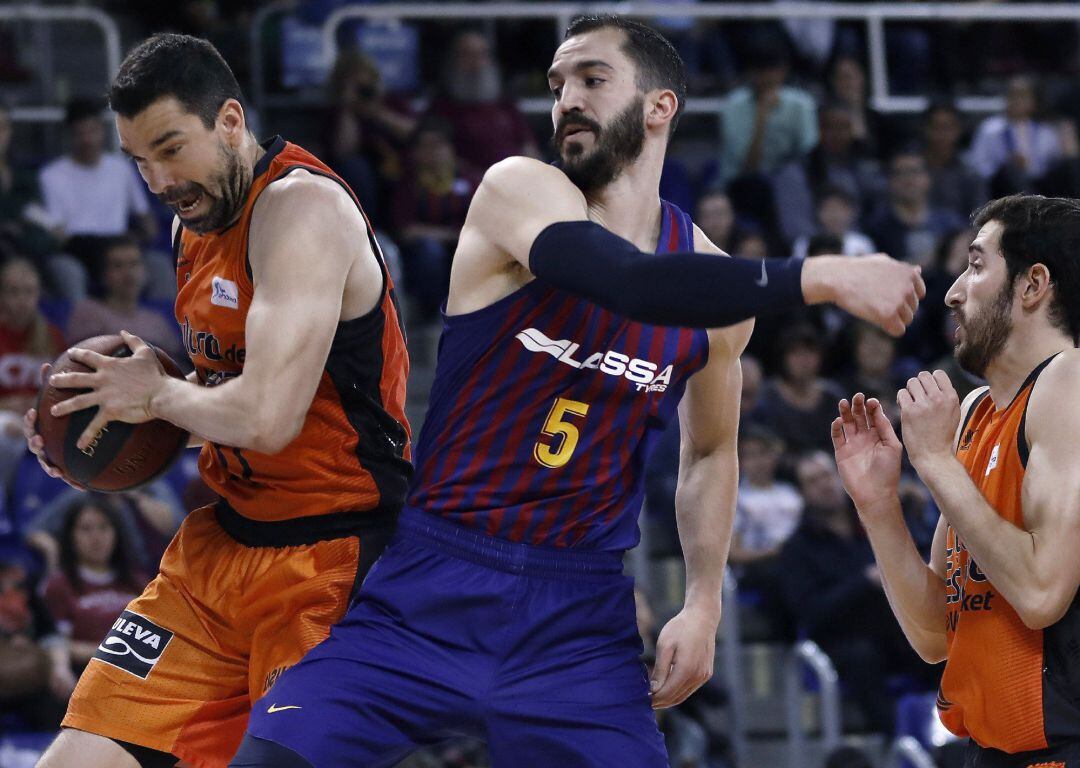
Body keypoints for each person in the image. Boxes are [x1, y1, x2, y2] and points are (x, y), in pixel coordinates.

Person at [232, 15, 923, 768]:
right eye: (558, 85)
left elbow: (712, 451)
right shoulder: (516, 192)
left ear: (660, 106)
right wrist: (818, 275)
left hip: (577, 618)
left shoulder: (716, 285)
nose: (566, 100)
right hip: (434, 582)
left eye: (593, 79)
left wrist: (702, 600)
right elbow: (626, 280)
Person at [25, 33, 411, 768]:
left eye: (171, 149)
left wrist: (159, 395)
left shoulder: (302, 211)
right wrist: (97, 417)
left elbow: (267, 416)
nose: (159, 179)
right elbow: (215, 400)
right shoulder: (192, 221)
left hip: (335, 557)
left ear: (230, 121)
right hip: (220, 550)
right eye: (139, 161)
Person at [832, 194, 1080, 765]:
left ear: (1032, 284)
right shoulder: (976, 412)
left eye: (976, 265)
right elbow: (933, 635)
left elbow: (1042, 594)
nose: (952, 292)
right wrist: (878, 503)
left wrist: (936, 462)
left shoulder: (1067, 382)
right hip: (992, 750)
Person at [41, 496, 149, 675]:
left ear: (116, 533)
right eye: (86, 529)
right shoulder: (58, 585)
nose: (96, 537)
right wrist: (114, 654)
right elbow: (57, 644)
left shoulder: (138, 581)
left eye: (104, 527)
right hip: (88, 675)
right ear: (70, 535)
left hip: (142, 674)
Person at [65, 234, 184, 363]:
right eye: (118, 266)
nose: (128, 273)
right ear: (103, 274)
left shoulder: (156, 321)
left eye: (134, 264)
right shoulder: (88, 312)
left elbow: (178, 365)